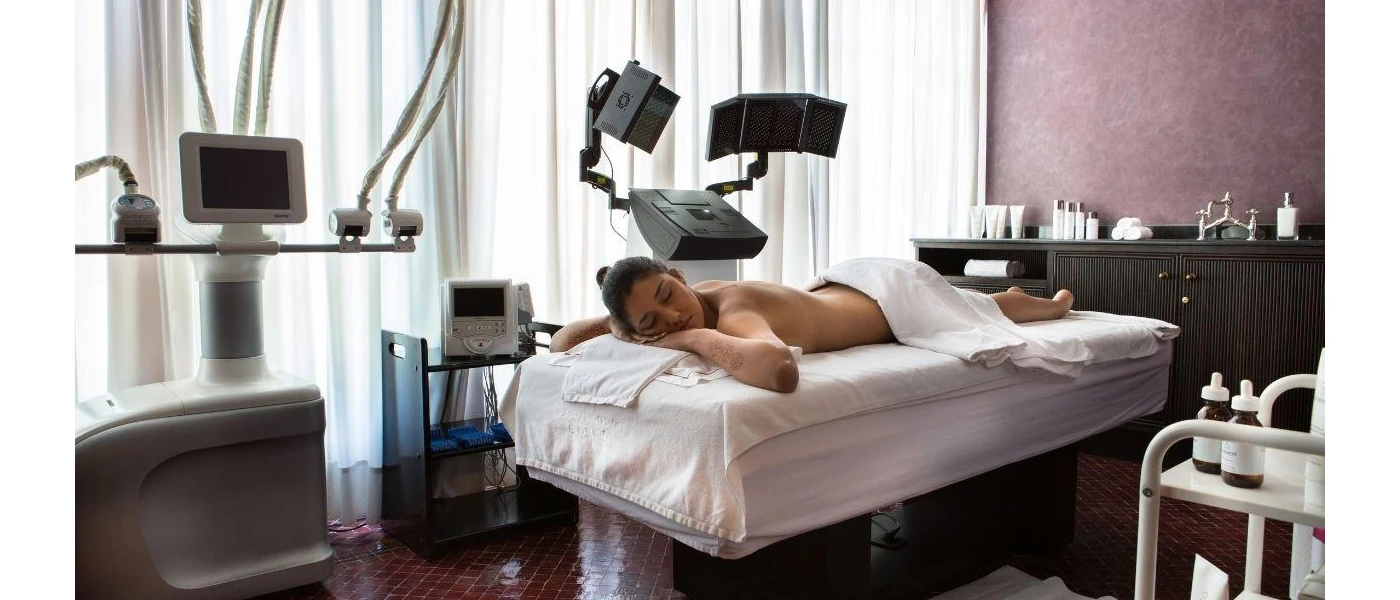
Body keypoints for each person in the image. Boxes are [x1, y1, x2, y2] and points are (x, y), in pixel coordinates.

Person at [550, 256, 1075, 393]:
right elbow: (561, 341)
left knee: (976, 310)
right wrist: (622, 323)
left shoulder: (732, 312)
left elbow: (780, 371)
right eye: (653, 320)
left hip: (888, 294)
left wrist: (688, 337)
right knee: (968, 299)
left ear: (680, 275)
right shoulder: (686, 305)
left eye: (668, 296)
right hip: (844, 284)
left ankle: (1044, 305)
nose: (673, 315)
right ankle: (1009, 296)